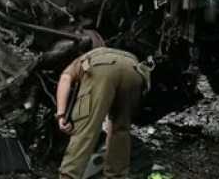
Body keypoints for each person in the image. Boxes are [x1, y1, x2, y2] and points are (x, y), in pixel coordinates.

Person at [55, 47, 151, 179]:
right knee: (121, 129)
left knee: (86, 128)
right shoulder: (112, 53)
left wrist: (61, 114)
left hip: (102, 69)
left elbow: (65, 79)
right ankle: (116, 175)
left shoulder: (80, 61)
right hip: (134, 70)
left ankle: (69, 176)